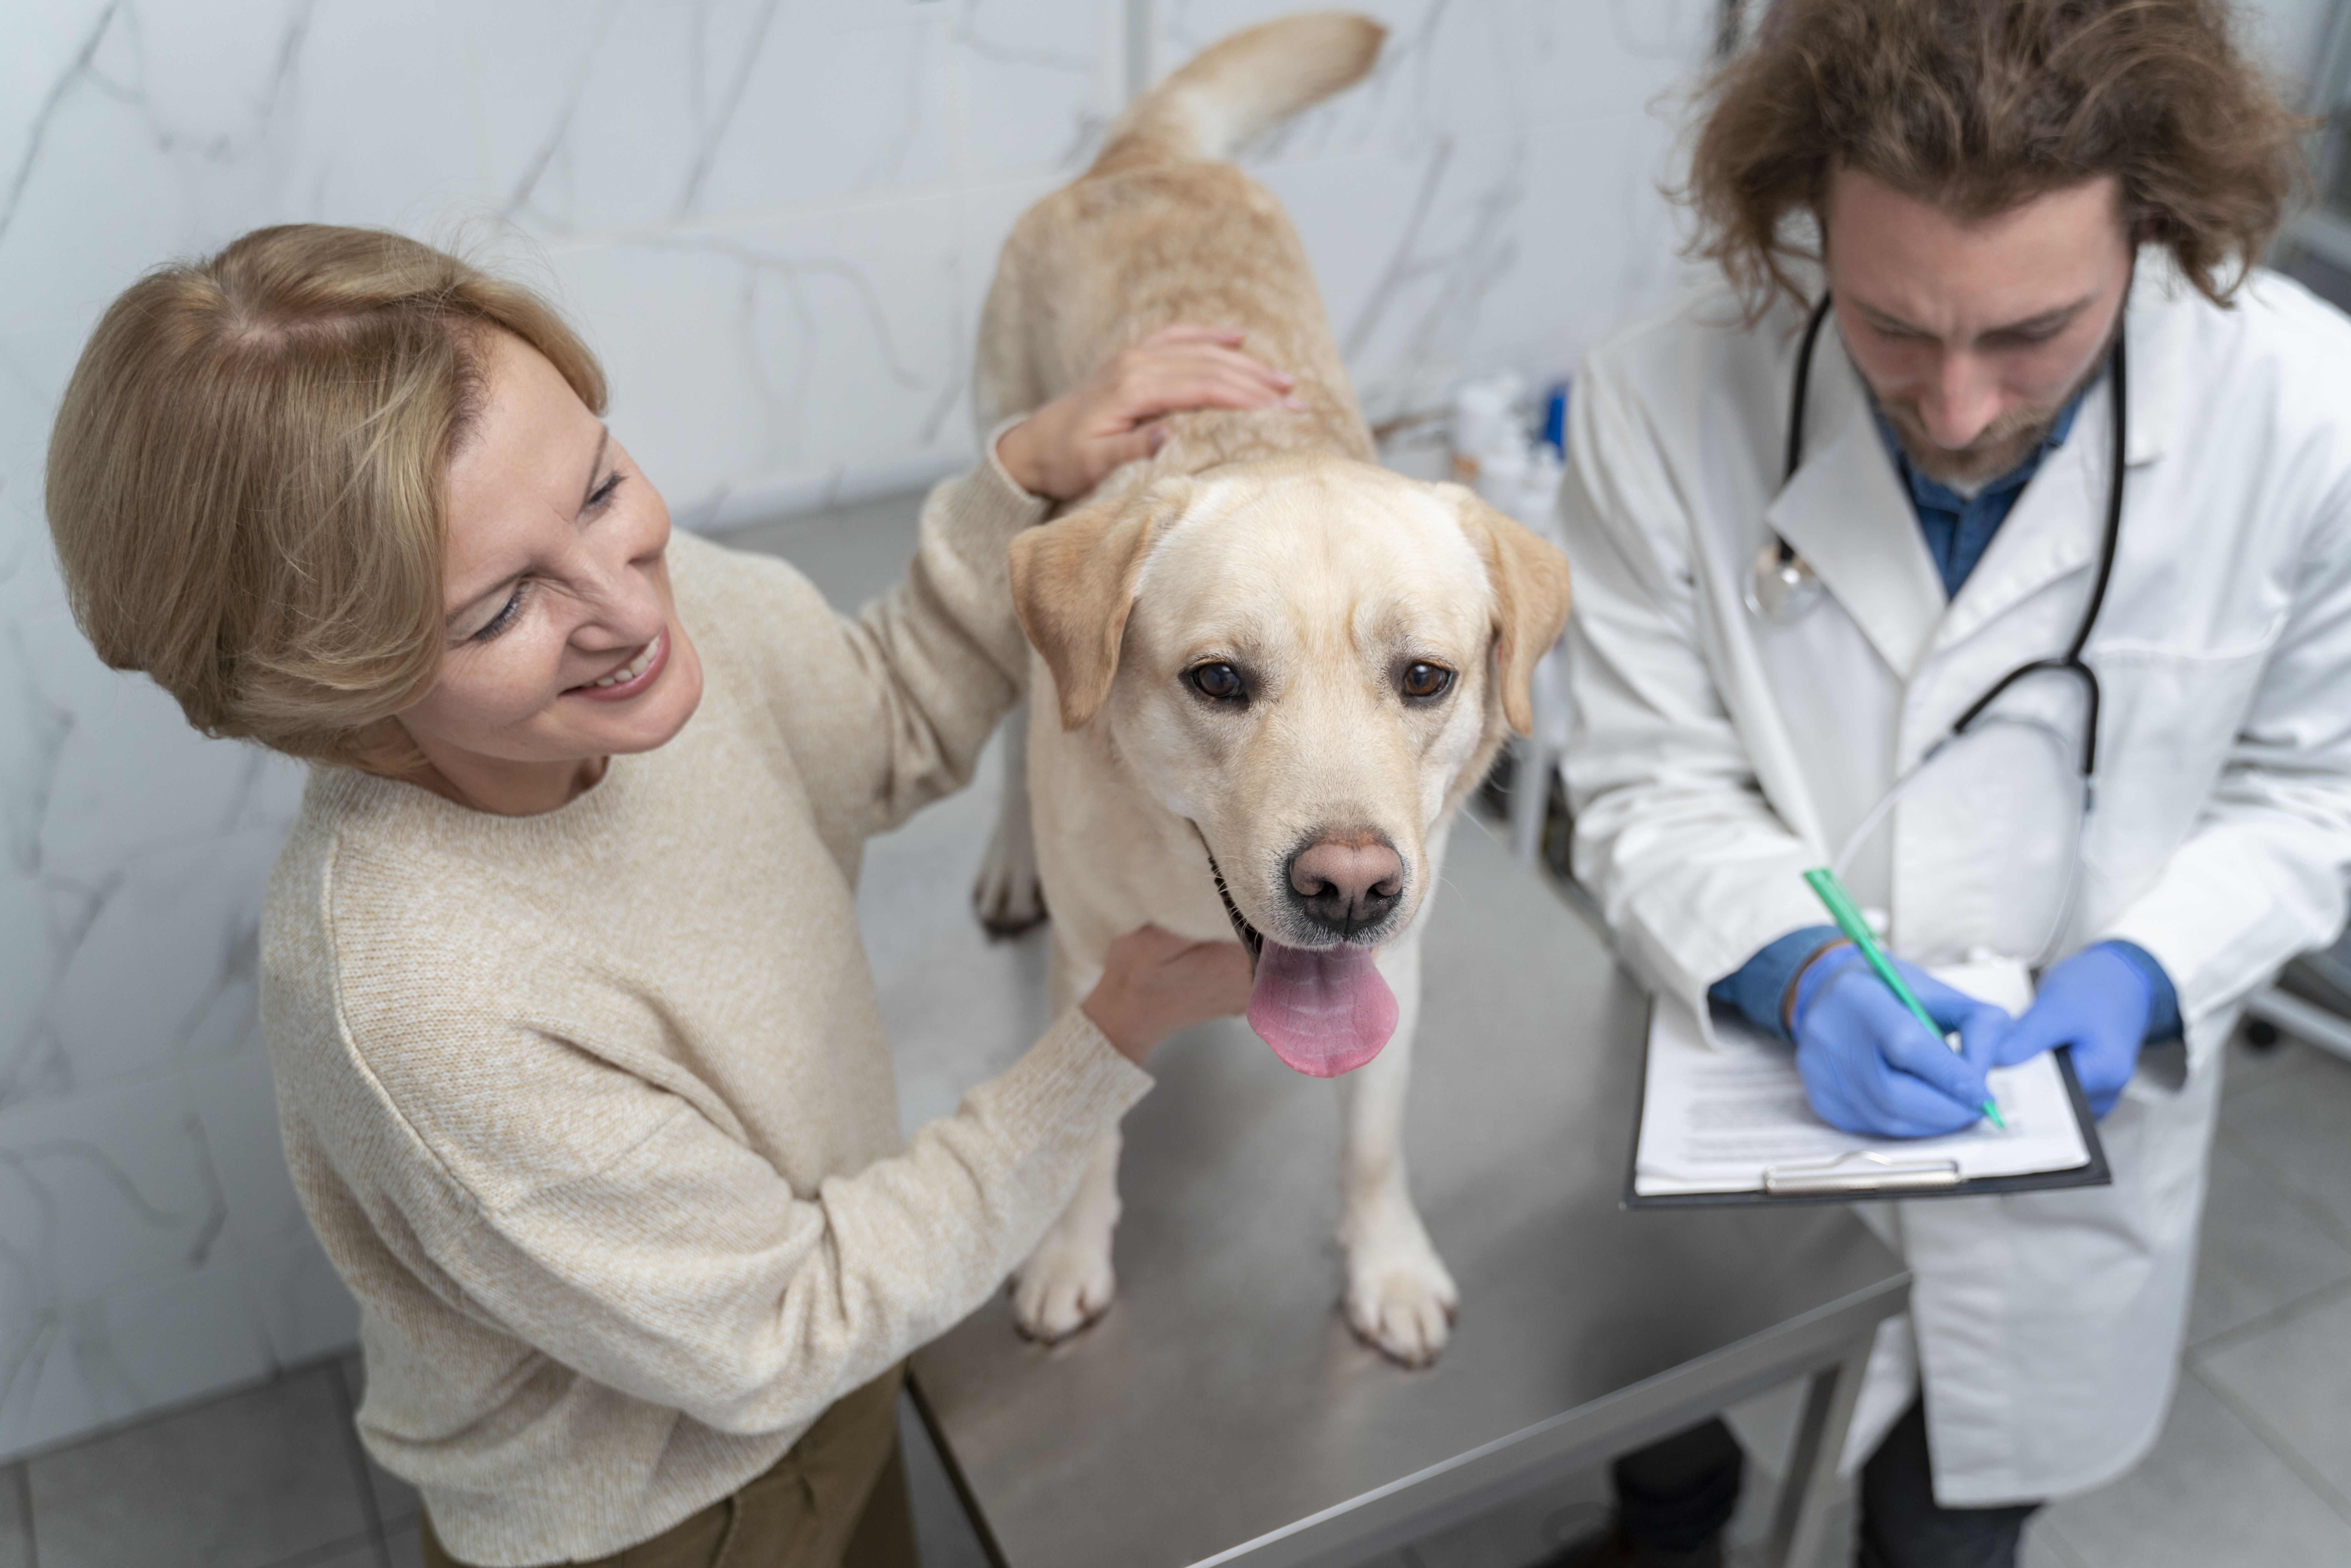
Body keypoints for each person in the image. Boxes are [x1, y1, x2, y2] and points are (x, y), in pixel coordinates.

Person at [44, 223, 1291, 1568]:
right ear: (334, 690)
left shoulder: (653, 609)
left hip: (827, 1359)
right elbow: (778, 1328)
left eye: (597, 485)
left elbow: (867, 725)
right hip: (666, 1515)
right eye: (494, 609)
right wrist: (1104, 1043)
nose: (629, 608)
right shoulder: (423, 1007)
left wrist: (1021, 480)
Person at [1554, 3, 2351, 1566]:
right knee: (1667, 1452)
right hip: (1741, 1098)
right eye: (1892, 328)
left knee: (1944, 1522)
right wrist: (1794, 975)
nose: (1961, 407)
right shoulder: (1660, 402)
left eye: (2032, 331)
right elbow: (1646, 786)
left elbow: (2312, 792)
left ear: (2156, 226)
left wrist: (2148, 968)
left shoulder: (2308, 418)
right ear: (1806, 214)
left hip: (2067, 1176)